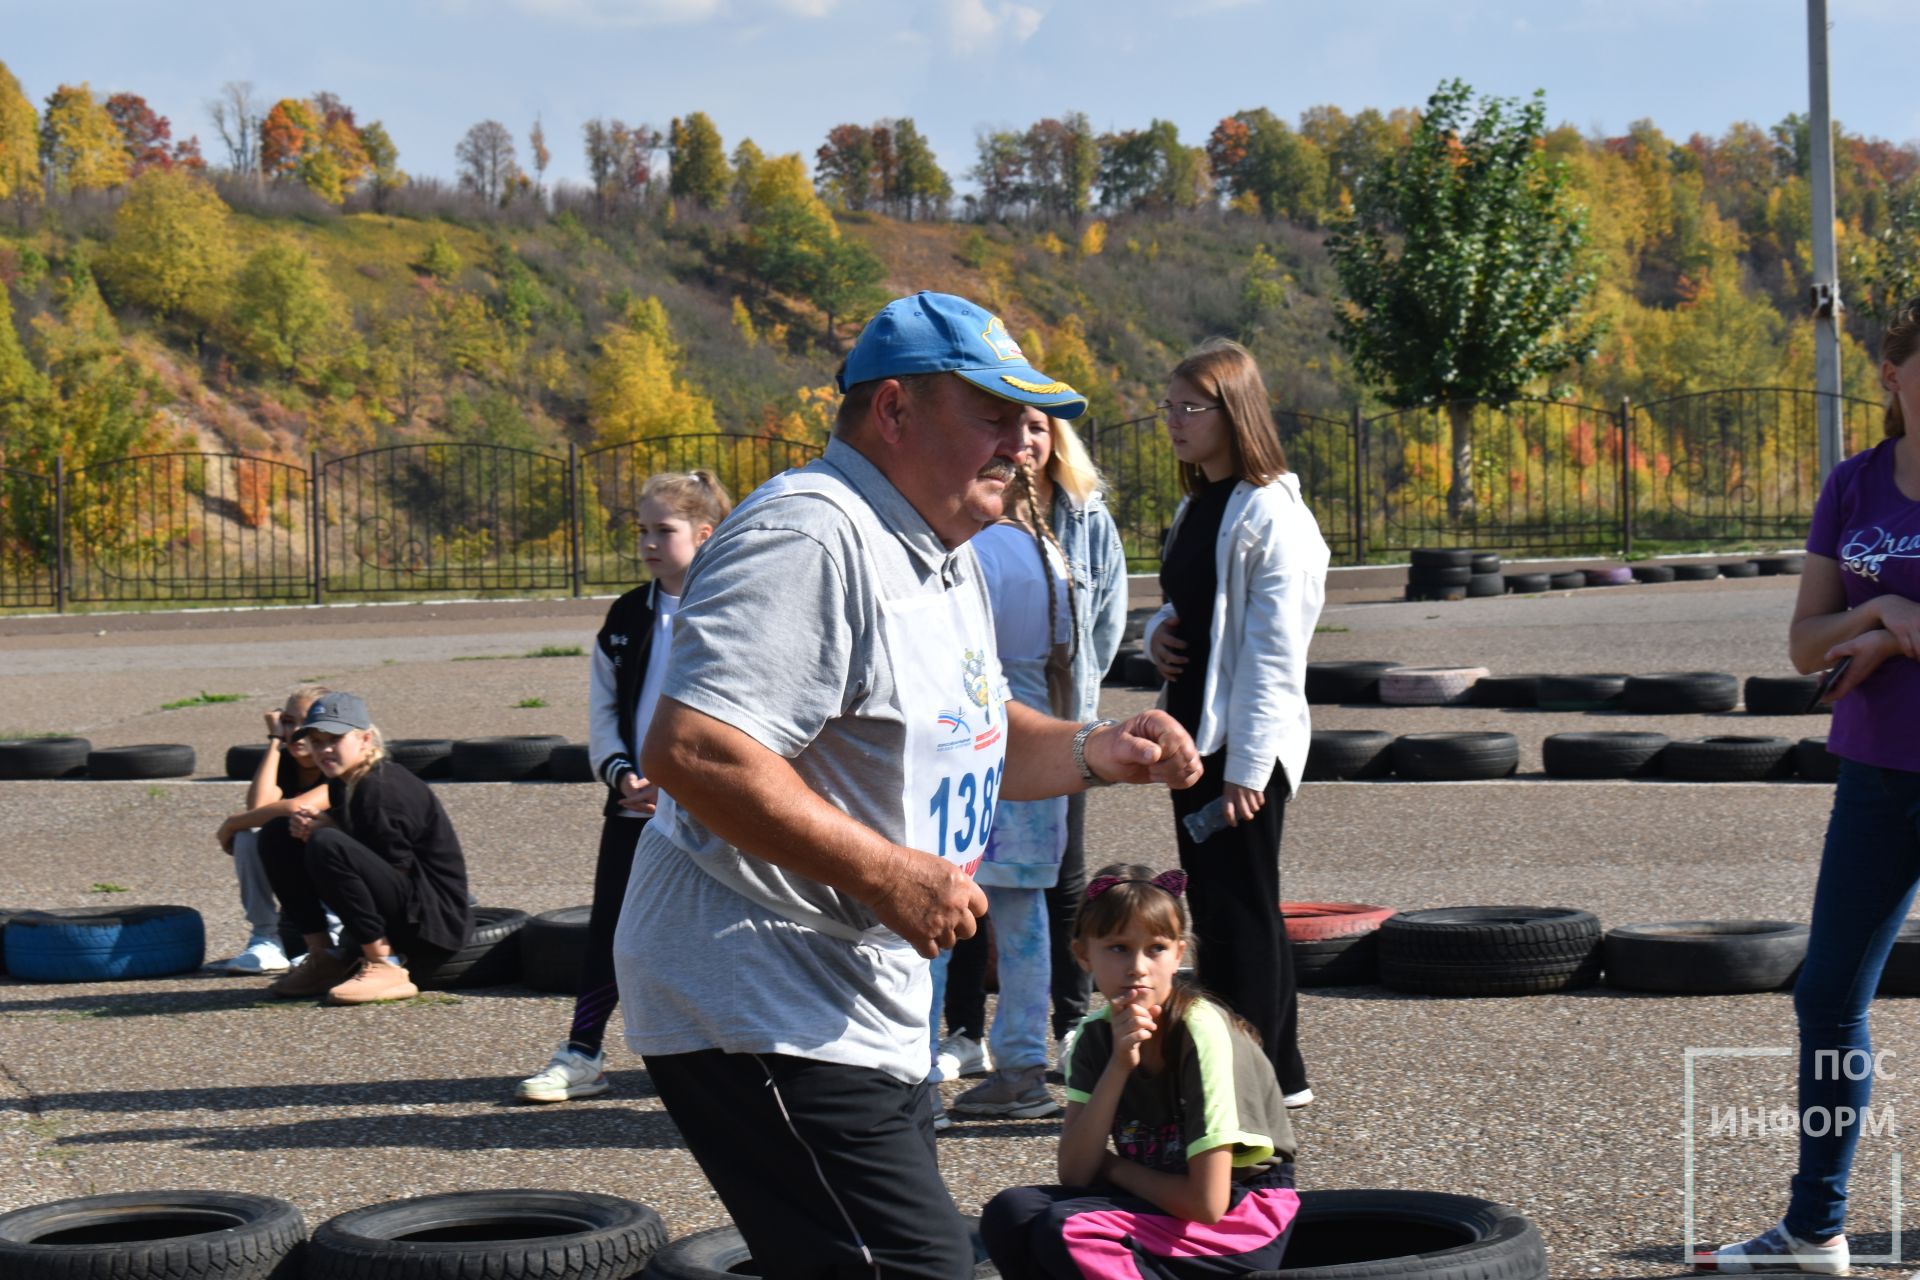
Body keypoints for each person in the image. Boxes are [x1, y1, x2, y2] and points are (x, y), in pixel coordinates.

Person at [612, 290, 1204, 1280]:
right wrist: (890, 872)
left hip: (863, 993)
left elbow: (966, 730)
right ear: (893, 410)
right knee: (922, 1267)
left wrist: (1098, 746)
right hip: (761, 990)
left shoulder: (945, 552)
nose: (1027, 438)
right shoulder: (812, 534)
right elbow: (697, 747)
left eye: (1034, 417)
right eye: (995, 412)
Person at [1694, 299, 1920, 1275]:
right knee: (1828, 994)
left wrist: (1906, 622)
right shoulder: (1853, 482)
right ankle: (1815, 1226)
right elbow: (1800, 644)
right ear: (1891, 372)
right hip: (1874, 773)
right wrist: (1876, 608)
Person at [1144, 338, 1329, 1107]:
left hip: (1239, 748)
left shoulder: (1271, 512)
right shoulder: (1201, 502)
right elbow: (1199, 602)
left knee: (1239, 910)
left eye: (1193, 408)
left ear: (1235, 412)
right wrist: (1156, 630)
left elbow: (1275, 653)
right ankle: (1273, 1074)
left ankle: (1258, 1081)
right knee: (1220, 907)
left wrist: (1250, 769)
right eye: (1171, 407)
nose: (1176, 422)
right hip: (1192, 737)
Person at [515, 470, 733, 1103]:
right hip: (637, 804)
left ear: (704, 533)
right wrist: (624, 776)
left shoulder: (732, 606)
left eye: (663, 529)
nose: (648, 542)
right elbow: (604, 713)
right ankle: (582, 1051)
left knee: (723, 927)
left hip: (716, 806)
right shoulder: (625, 615)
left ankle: (731, 1055)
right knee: (613, 924)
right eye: (642, 529)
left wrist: (692, 787)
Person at [935, 415, 1131, 1093]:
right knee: (993, 910)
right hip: (1005, 726)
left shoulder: (1007, 544)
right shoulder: (1026, 544)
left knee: (976, 905)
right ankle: (997, 1062)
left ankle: (968, 1063)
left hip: (993, 728)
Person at [980, 863, 1299, 1277]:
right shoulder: (1096, 1036)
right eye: (1117, 948)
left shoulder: (1202, 1034)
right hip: (1159, 1199)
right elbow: (1076, 1173)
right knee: (1011, 1212)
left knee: (1072, 1231)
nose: (1138, 967)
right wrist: (1118, 1064)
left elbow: (1207, 1203)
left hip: (1241, 1219)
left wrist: (1113, 1167)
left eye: (1156, 948)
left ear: (1179, 954)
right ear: (1083, 955)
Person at [944, 442, 1081, 1122]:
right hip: (1042, 736)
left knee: (937, 911)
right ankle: (1023, 1064)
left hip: (980, 737)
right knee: (1024, 923)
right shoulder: (1048, 552)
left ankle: (909, 1064)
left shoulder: (978, 555)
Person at [260, 692, 474, 1006]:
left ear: (365, 739)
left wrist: (330, 833)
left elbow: (395, 868)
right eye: (317, 741)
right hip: (400, 907)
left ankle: (384, 964)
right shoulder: (344, 781)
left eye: (334, 738)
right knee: (277, 833)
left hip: (432, 922)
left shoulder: (382, 788)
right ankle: (323, 959)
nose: (325, 749)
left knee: (325, 842)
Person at [210, 685, 332, 974]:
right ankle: (266, 938)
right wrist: (276, 739)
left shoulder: (337, 764)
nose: (296, 732)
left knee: (319, 833)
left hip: (345, 880)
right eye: (289, 722)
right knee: (249, 835)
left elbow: (298, 808)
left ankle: (335, 938)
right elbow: (258, 808)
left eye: (306, 723)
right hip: (298, 872)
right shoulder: (285, 760)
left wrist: (230, 823)